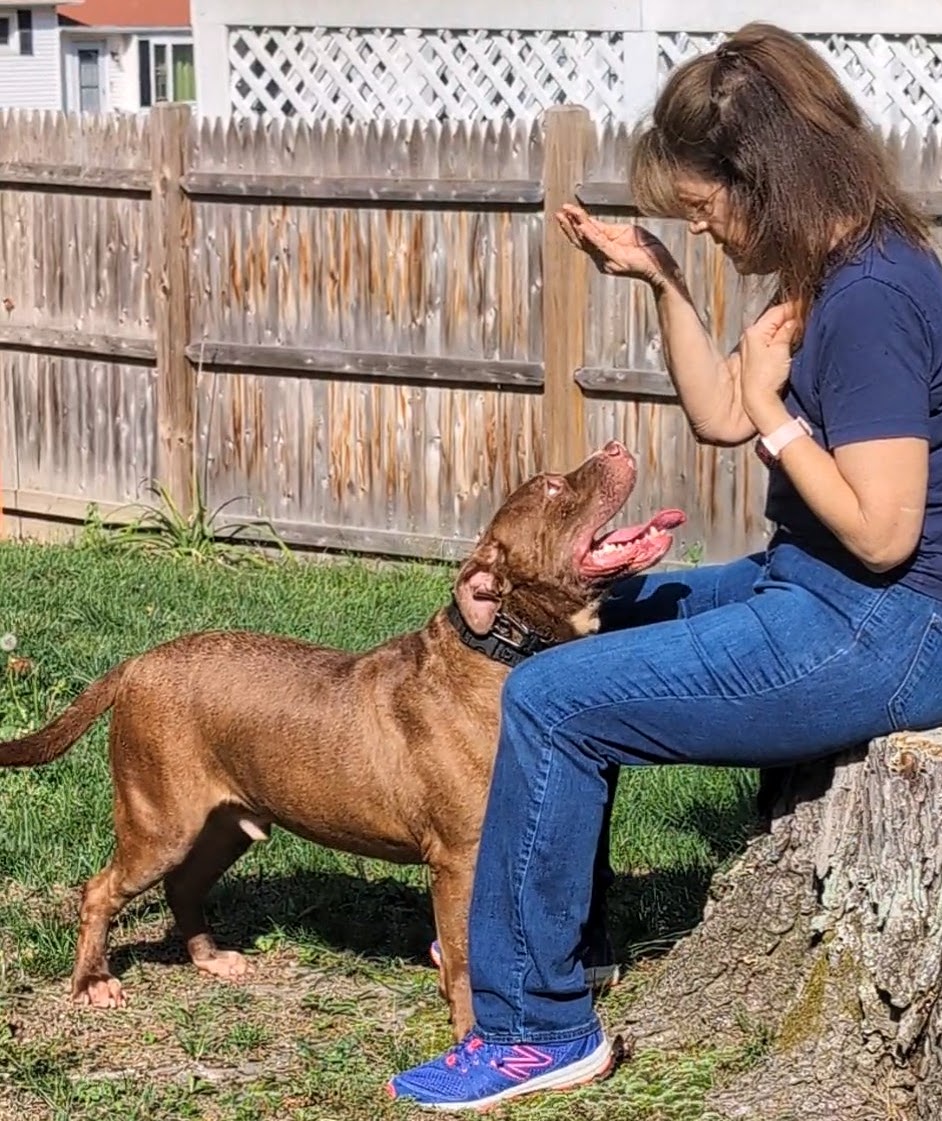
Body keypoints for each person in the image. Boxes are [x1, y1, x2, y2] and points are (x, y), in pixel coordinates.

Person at [387, 20, 942, 1111]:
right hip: (826, 587)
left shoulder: (873, 298)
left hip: (889, 626)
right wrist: (664, 279)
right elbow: (724, 412)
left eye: (705, 210)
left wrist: (779, 405)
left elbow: (880, 528)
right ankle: (569, 938)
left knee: (550, 701)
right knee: (580, 622)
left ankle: (536, 1025)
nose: (712, 230)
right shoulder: (837, 265)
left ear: (763, 176)